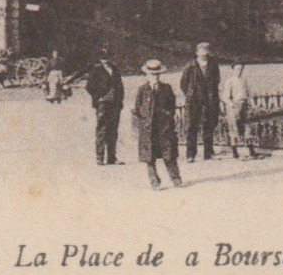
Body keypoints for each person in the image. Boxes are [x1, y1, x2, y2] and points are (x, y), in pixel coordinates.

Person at [133, 60, 183, 189]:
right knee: (150, 156)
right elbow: (137, 108)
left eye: (157, 74)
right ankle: (154, 181)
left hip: (164, 127)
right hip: (148, 128)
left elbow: (172, 106)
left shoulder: (166, 88)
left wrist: (167, 116)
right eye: (152, 74)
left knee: (169, 154)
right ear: (147, 75)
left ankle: (176, 179)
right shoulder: (142, 90)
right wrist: (143, 122)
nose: (155, 77)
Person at [180, 42, 221, 162]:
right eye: (202, 51)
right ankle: (190, 154)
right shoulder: (190, 66)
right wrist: (191, 94)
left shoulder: (213, 65)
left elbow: (216, 81)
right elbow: (184, 84)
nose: (204, 53)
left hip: (209, 99)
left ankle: (209, 153)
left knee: (209, 125)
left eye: (206, 50)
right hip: (194, 100)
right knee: (192, 126)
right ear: (197, 52)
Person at [85, 52, 125, 165]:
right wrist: (99, 97)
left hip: (115, 104)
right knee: (102, 129)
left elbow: (120, 86)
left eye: (107, 58)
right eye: (103, 58)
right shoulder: (96, 70)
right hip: (103, 104)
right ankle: (99, 157)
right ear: (99, 59)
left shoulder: (114, 69)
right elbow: (89, 87)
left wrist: (120, 100)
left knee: (113, 130)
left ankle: (112, 157)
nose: (105, 60)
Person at [222, 61, 256, 159]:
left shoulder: (243, 80)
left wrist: (252, 104)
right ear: (233, 70)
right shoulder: (229, 82)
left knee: (247, 127)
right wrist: (231, 104)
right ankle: (234, 151)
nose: (239, 71)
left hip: (243, 105)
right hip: (233, 107)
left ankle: (251, 150)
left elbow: (249, 94)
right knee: (234, 128)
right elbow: (225, 97)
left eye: (241, 69)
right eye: (237, 69)